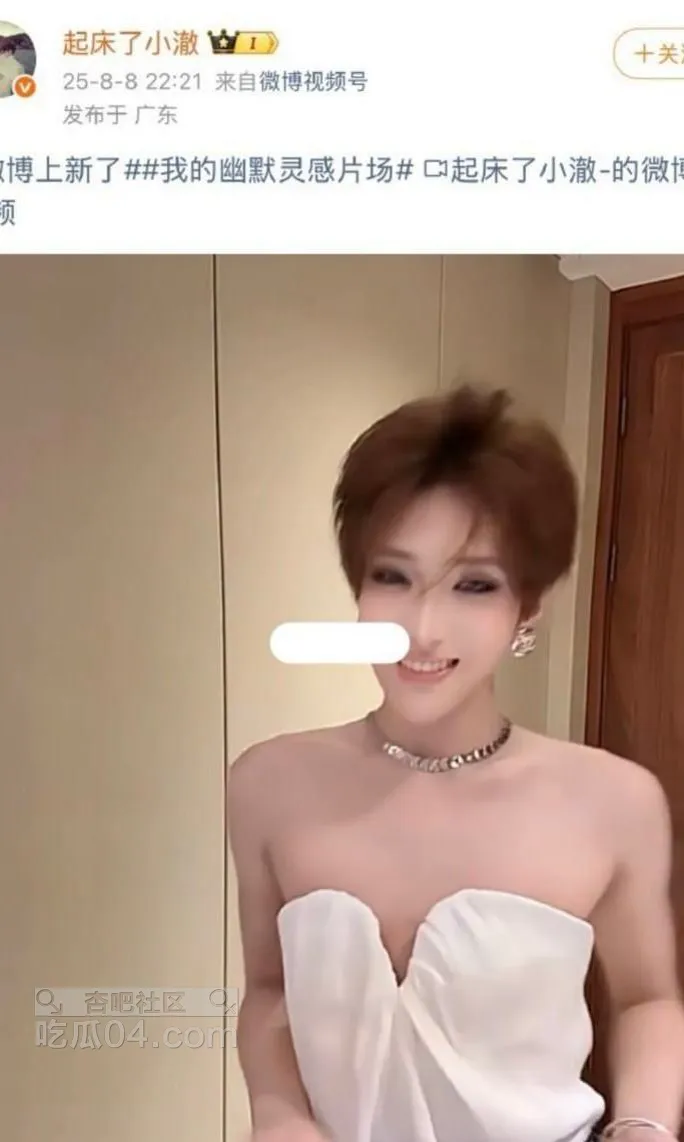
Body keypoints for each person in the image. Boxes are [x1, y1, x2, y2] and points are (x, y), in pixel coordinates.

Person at [228, 385, 684, 1142]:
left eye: (474, 585)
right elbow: (269, 989)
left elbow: (647, 999)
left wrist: (644, 1126)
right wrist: (278, 1117)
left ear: (527, 607)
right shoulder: (267, 785)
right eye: (393, 577)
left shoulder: (614, 801)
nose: (424, 629)